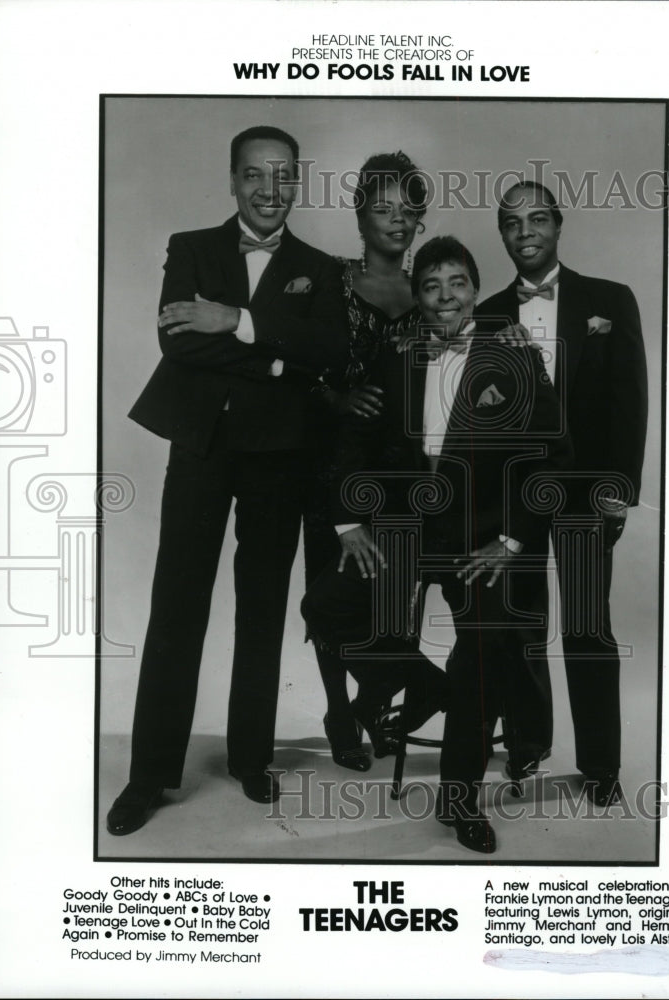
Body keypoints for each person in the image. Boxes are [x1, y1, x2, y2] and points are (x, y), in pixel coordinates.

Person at [106, 125, 349, 836]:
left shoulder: (320, 266)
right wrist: (275, 361)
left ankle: (250, 757)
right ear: (233, 180)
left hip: (280, 454)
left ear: (296, 182)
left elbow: (328, 351)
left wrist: (234, 319)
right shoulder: (192, 248)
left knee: (263, 606)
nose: (269, 190)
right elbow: (176, 342)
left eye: (282, 176)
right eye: (255, 175)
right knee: (175, 606)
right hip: (202, 449)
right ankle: (149, 775)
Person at [302, 237, 572, 854]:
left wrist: (510, 540)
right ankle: (427, 687)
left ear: (476, 290)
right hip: (404, 524)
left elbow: (551, 460)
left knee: (483, 653)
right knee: (326, 606)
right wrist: (349, 520)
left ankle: (460, 800)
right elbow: (357, 434)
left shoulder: (514, 356)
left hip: (479, 537)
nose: (445, 296)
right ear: (417, 296)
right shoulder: (398, 354)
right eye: (431, 285)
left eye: (457, 283)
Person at [477, 180, 648, 808]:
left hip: (585, 494)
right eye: (513, 223)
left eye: (538, 219)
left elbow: (632, 400)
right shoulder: (488, 312)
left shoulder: (610, 299)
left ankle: (601, 764)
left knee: (586, 624)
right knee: (522, 622)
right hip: (516, 498)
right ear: (502, 234)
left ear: (558, 224)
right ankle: (526, 745)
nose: (526, 232)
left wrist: (619, 490)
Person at [306, 151, 429, 772]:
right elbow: (299, 362)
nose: (397, 220)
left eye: (409, 210)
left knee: (391, 597)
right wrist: (337, 397)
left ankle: (372, 703)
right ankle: (336, 710)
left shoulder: (429, 289)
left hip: (402, 478)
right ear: (360, 214)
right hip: (332, 461)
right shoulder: (331, 278)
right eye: (383, 207)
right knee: (330, 593)